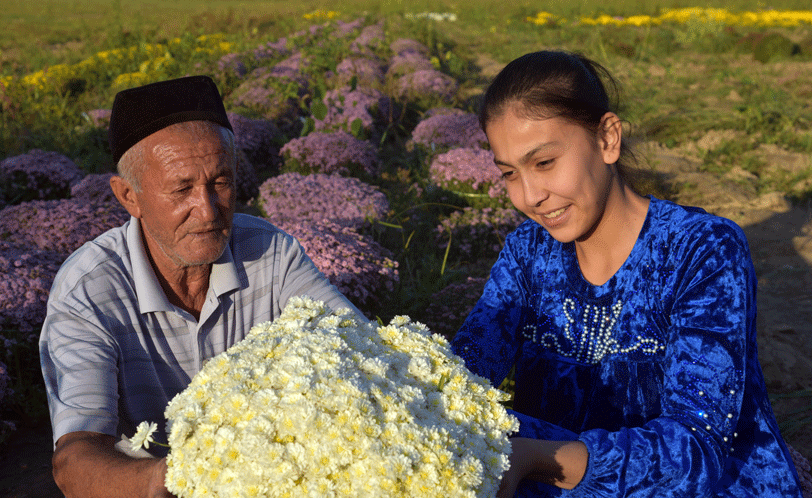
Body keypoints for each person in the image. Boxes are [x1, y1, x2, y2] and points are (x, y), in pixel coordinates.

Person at [450, 50, 805, 497]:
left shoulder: (700, 249)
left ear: (607, 139)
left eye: (544, 163)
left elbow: (695, 449)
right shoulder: (527, 253)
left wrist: (534, 457)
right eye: (508, 173)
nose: (529, 196)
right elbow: (457, 377)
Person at [39, 75, 364, 498]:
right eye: (182, 189)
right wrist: (171, 479)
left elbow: (357, 346)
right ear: (128, 197)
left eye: (221, 183)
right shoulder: (89, 291)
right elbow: (75, 458)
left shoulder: (272, 254)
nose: (208, 210)